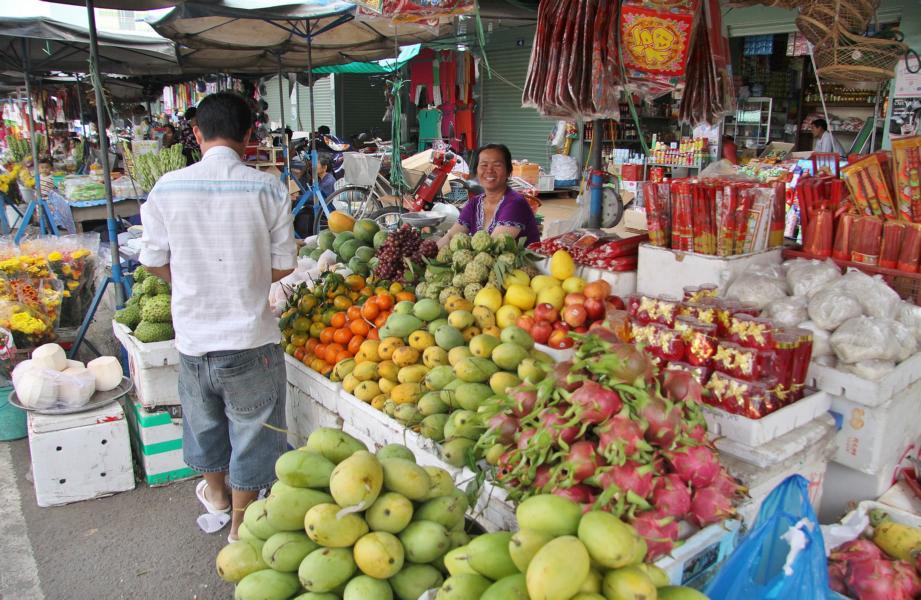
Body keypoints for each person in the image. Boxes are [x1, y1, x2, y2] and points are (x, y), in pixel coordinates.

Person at [139, 91, 296, 542]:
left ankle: (218, 498)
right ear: (249, 135)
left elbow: (151, 259)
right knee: (253, 430)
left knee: (203, 422)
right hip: (250, 338)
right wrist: (243, 279)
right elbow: (284, 266)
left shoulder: (167, 187)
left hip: (192, 338)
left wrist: (188, 280)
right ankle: (241, 527)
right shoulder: (268, 187)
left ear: (196, 133)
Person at [438, 144, 541, 248]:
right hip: (483, 263)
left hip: (524, 264)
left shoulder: (515, 203)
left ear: (508, 171)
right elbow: (451, 236)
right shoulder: (475, 203)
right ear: (477, 171)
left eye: (497, 165)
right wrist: (429, 253)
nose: (489, 170)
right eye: (484, 165)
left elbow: (493, 247)